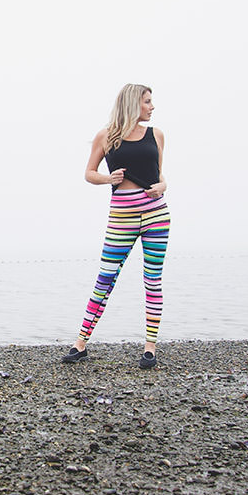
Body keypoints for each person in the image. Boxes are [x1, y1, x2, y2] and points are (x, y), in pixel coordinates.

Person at [62, 83, 171, 369]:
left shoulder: (156, 135)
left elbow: (161, 177)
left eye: (152, 101)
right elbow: (89, 173)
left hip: (155, 213)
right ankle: (80, 343)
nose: (152, 106)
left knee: (153, 280)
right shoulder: (106, 136)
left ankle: (149, 348)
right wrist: (108, 179)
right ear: (133, 104)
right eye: (148, 101)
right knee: (106, 278)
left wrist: (161, 186)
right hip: (122, 214)